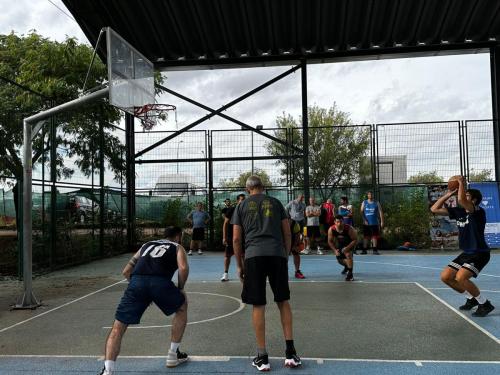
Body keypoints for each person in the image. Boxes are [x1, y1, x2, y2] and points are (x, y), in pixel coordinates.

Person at [232, 175, 301, 371]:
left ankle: (262, 357)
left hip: (254, 256)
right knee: (283, 301)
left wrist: (240, 265)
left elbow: (236, 239)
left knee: (258, 305)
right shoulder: (276, 203)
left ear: (247, 189)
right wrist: (285, 255)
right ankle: (291, 353)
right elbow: (287, 232)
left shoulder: (242, 206)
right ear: (263, 187)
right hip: (276, 254)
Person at [98, 226, 189, 375]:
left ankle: (108, 370)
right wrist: (180, 288)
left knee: (118, 327)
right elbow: (183, 268)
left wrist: (139, 289)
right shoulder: (177, 247)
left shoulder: (146, 245)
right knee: (182, 306)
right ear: (178, 236)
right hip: (160, 282)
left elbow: (126, 271)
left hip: (137, 282)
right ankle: (173, 355)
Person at [431, 176, 494, 317]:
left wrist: (460, 183)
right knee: (446, 277)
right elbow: (434, 209)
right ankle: (471, 298)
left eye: (467, 195)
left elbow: (461, 200)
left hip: (480, 252)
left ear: (474, 200)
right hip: (467, 252)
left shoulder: (477, 211)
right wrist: (448, 194)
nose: (463, 195)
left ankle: (484, 304)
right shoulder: (459, 212)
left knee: (461, 278)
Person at [221, 193, 246, 281]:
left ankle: (244, 273)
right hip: (230, 236)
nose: (243, 201)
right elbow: (225, 224)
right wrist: (224, 237)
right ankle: (225, 273)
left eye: (244, 200)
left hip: (242, 237)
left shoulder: (246, 211)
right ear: (237, 201)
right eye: (241, 200)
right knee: (227, 256)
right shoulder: (231, 210)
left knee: (243, 256)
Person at [328, 215, 358, 281]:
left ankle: (350, 274)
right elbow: (330, 241)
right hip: (340, 245)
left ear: (343, 221)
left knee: (348, 255)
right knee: (340, 261)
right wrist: (335, 250)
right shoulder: (331, 229)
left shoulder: (349, 228)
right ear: (334, 222)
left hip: (350, 243)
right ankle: (347, 266)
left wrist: (347, 248)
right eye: (337, 222)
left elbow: (355, 240)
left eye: (341, 222)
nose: (339, 223)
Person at [285, 194, 306, 278]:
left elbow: (297, 235)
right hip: (284, 241)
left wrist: (295, 245)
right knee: (282, 255)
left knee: (296, 253)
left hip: (293, 239)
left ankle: (297, 271)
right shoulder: (280, 224)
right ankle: (282, 271)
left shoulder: (295, 224)